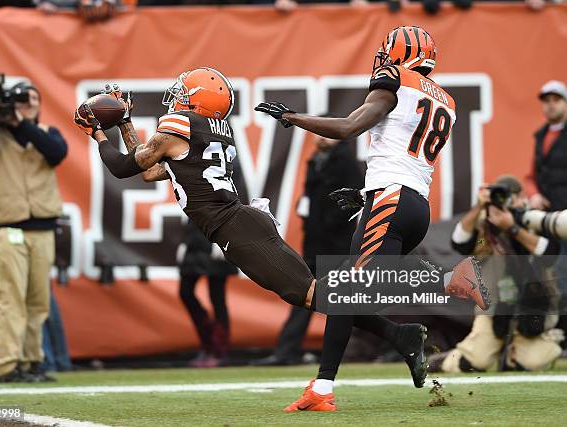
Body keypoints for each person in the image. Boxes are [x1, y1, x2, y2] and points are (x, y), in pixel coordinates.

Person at [73, 66, 487, 388]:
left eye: (184, 93)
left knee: (319, 294)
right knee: (318, 296)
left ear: (196, 100)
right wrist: (124, 122)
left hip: (237, 227)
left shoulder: (178, 128)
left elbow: (126, 167)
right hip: (243, 223)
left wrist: (98, 133)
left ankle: (439, 287)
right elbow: (148, 170)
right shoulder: (203, 131)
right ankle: (402, 336)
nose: (177, 99)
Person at [256, 25, 483, 412]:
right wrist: (366, 195)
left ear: (400, 55)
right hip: (412, 206)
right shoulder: (444, 99)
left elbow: (348, 127)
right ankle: (402, 336)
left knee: (344, 291)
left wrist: (292, 117)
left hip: (391, 202)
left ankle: (323, 388)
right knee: (342, 291)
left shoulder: (395, 80)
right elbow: (402, 152)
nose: (382, 61)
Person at [0, 81, 68, 383]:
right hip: (8, 226)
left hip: (42, 226)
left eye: (33, 98)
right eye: (21, 99)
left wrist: (21, 123)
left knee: (38, 300)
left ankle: (31, 361)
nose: (28, 102)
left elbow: (55, 153)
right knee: (11, 298)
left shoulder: (47, 133)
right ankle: (8, 365)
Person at [429, 176, 563, 373]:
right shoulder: (486, 225)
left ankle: (514, 355)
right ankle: (442, 361)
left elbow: (549, 253)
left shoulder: (534, 219)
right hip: (494, 308)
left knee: (530, 363)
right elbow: (459, 242)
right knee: (472, 363)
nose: (504, 202)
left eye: (510, 197)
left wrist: (513, 228)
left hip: (535, 310)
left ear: (521, 198)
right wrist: (479, 207)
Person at [256, 134, 364, 366]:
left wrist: (330, 223)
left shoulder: (346, 163)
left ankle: (377, 343)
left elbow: (353, 203)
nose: (321, 138)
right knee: (305, 294)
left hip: (336, 245)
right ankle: (287, 350)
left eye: (327, 134)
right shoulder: (315, 160)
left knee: (344, 299)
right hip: (316, 243)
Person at [523, 80, 567, 346]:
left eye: (556, 99)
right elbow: (530, 176)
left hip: (564, 219)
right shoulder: (541, 136)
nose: (550, 105)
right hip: (548, 222)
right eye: (546, 100)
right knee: (551, 277)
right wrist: (533, 194)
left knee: (563, 275)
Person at [178, 220, 236, 367]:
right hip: (195, 240)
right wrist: (185, 241)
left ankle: (220, 349)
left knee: (217, 298)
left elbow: (232, 204)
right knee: (185, 292)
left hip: (216, 238)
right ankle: (209, 341)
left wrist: (223, 240)